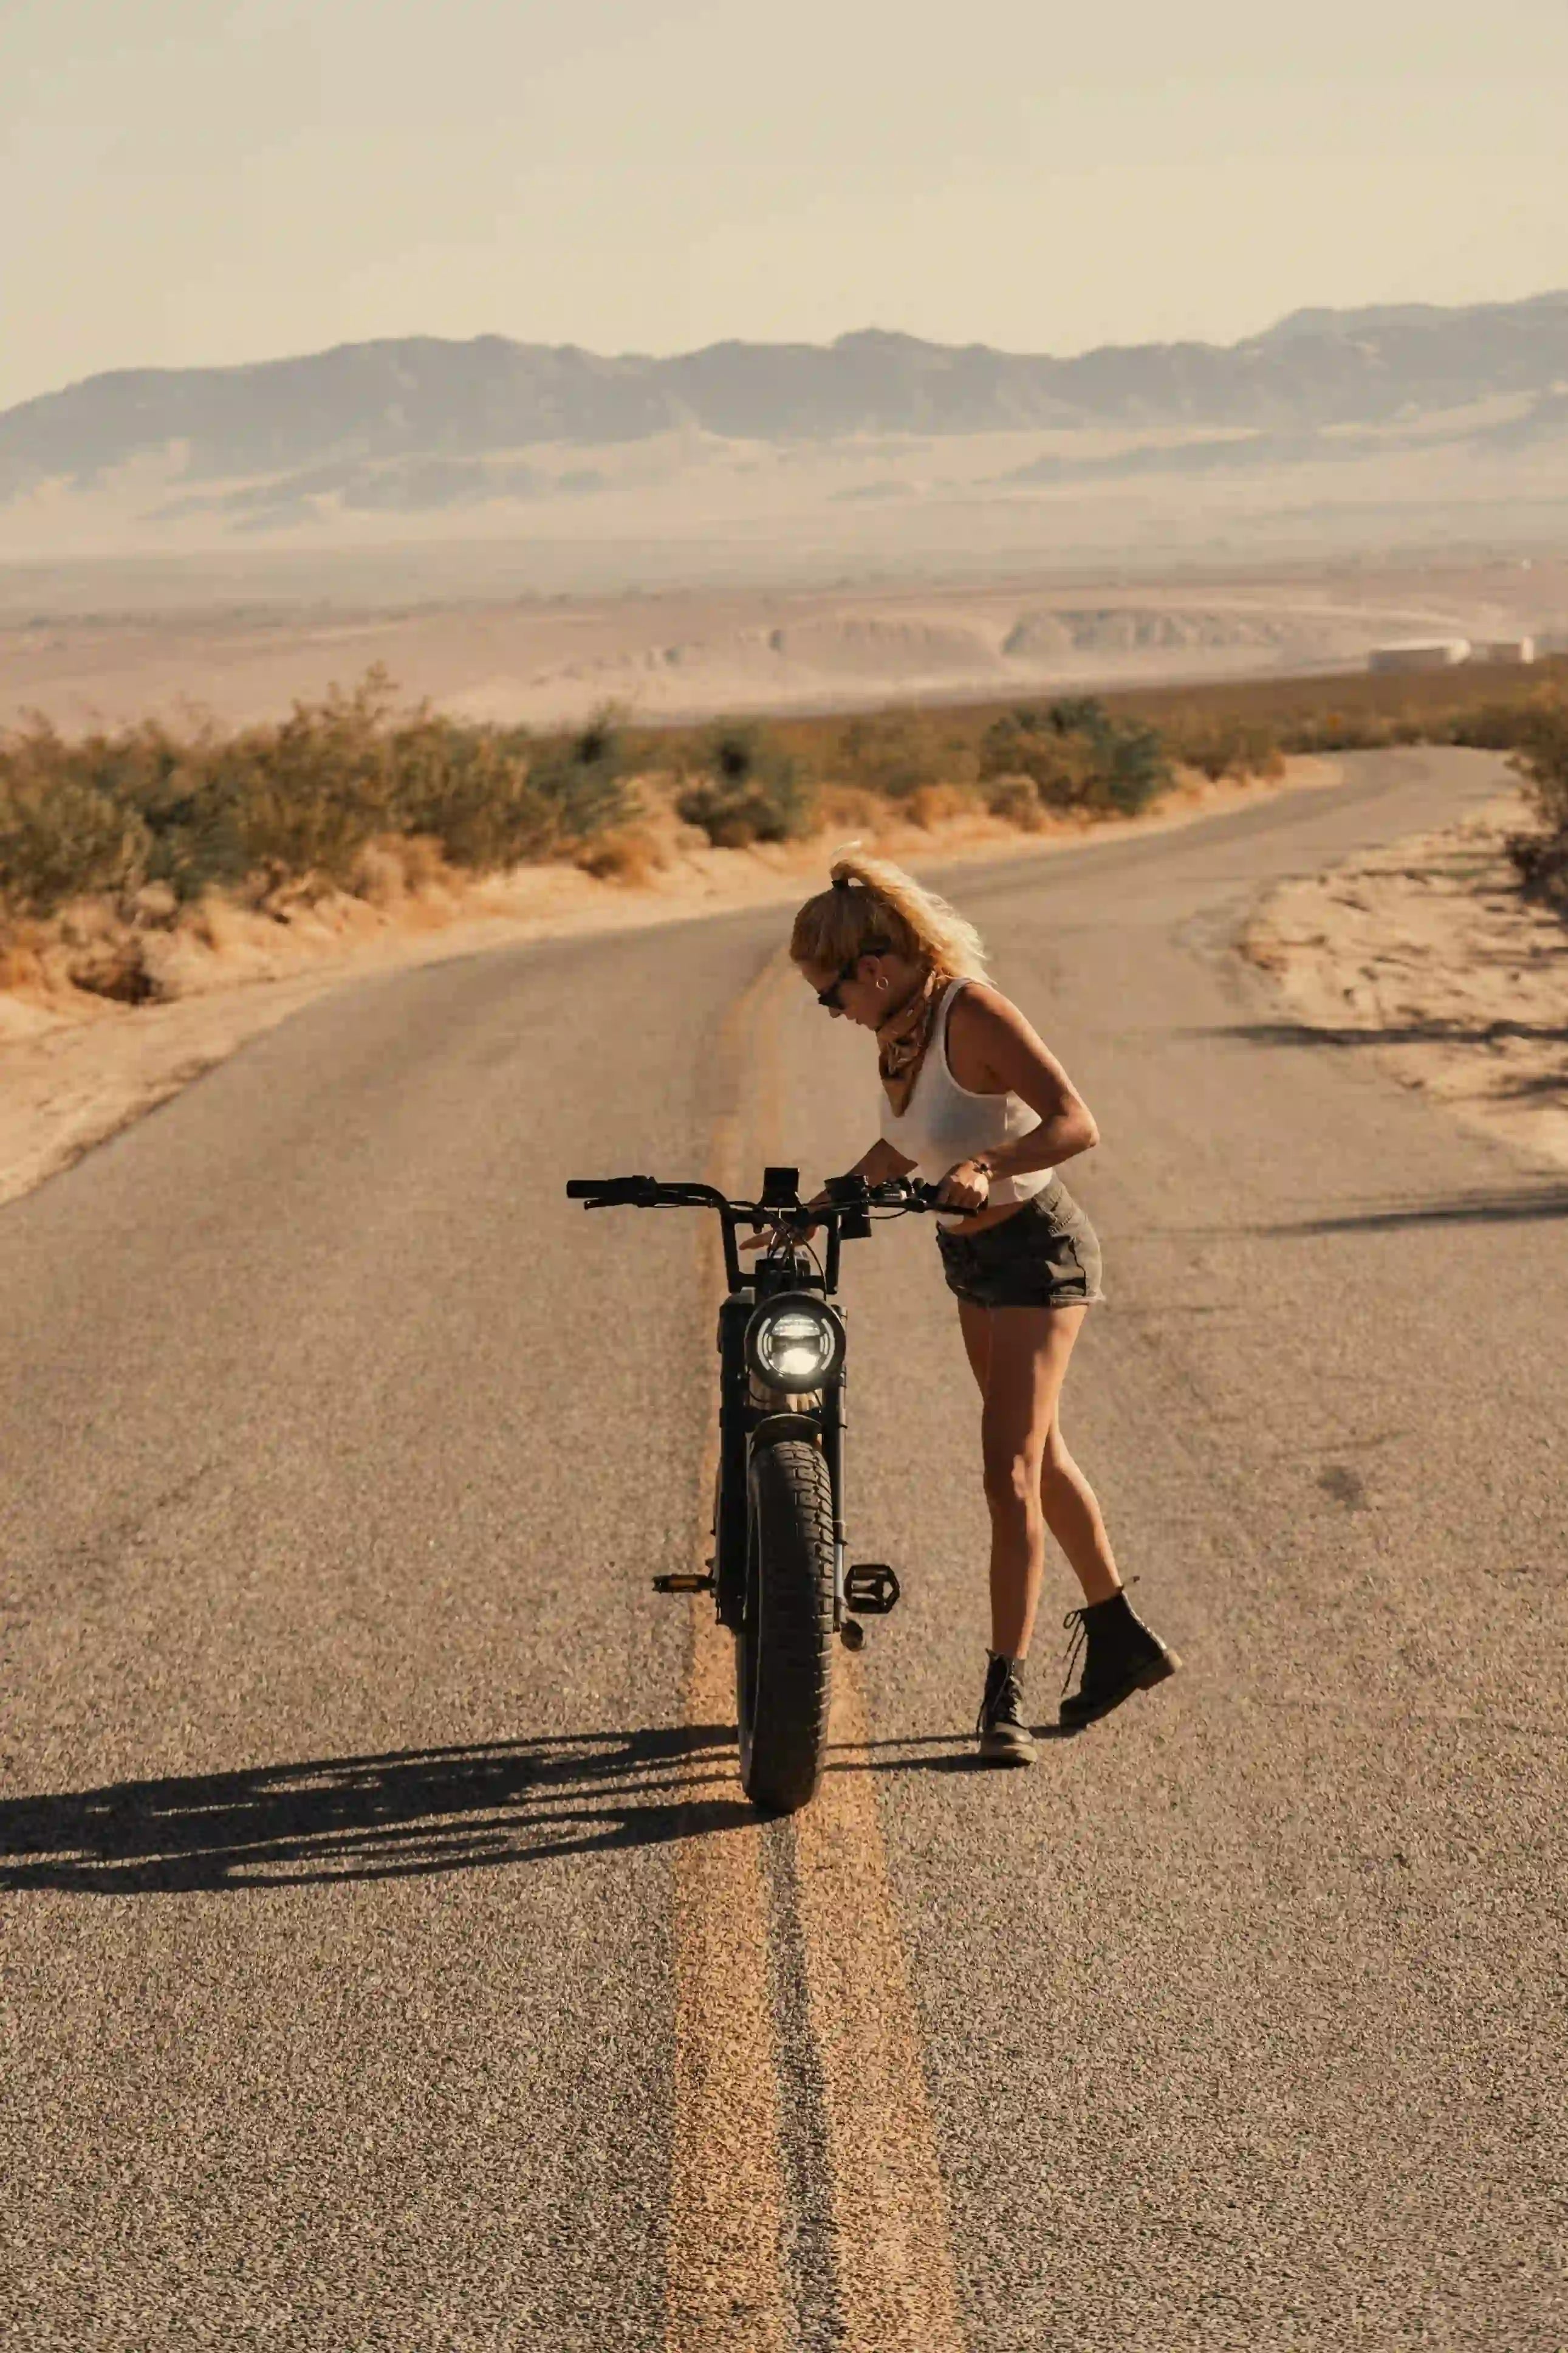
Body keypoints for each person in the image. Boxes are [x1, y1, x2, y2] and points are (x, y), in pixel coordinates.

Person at [789, 848, 1179, 1766]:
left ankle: (1002, 1688)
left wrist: (987, 1166)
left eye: (827, 996)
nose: (833, 1015)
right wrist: (811, 1214)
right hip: (968, 1261)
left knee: (1004, 1472)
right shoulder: (900, 1031)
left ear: (873, 971)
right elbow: (900, 1149)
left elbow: (1075, 1121)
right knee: (1040, 1460)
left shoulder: (972, 1013)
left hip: (1037, 1253)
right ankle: (1120, 1635)